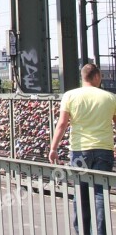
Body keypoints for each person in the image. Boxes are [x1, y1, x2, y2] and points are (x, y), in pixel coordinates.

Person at [49, 63, 116, 235]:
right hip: (104, 151)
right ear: (96, 77)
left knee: (81, 195)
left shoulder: (70, 96)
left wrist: (53, 148)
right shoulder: (110, 97)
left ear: (83, 77)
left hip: (79, 152)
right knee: (101, 196)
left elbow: (62, 124)